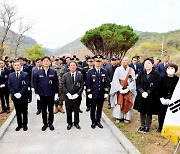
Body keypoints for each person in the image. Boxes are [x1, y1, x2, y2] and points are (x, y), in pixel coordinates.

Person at [134, 57, 161, 134]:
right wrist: (142, 92)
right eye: (145, 63)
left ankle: (147, 126)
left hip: (151, 96)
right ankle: (142, 125)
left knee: (149, 111)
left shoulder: (156, 74)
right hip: (141, 95)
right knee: (142, 110)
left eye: (149, 63)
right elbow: (138, 84)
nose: (147, 65)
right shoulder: (141, 73)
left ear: (152, 65)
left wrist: (148, 92)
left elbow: (156, 85)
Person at [34, 56, 59, 131]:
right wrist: (36, 93)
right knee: (44, 110)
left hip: (51, 94)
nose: (46, 62)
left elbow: (56, 83)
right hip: (42, 95)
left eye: (47, 61)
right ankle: (45, 123)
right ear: (42, 62)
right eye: (44, 61)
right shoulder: (38, 72)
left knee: (50, 110)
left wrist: (56, 93)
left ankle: (50, 123)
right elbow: (36, 83)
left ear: (50, 62)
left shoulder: (53, 72)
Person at [110, 56, 136, 123]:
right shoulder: (118, 69)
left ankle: (127, 117)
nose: (124, 62)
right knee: (119, 102)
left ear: (129, 62)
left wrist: (128, 89)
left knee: (127, 101)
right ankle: (118, 117)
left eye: (126, 60)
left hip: (128, 88)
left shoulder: (131, 70)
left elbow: (133, 81)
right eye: (123, 60)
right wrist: (119, 89)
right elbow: (115, 80)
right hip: (120, 88)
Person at [86, 55, 109, 129]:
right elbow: (88, 83)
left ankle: (98, 120)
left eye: (99, 61)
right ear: (94, 62)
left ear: (101, 62)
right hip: (93, 94)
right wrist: (89, 93)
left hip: (101, 93)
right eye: (96, 61)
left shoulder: (104, 71)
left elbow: (106, 82)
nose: (98, 63)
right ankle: (93, 121)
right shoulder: (90, 72)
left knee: (99, 108)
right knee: (93, 108)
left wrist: (106, 92)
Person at [8, 61, 29, 131]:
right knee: (17, 111)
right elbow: (9, 85)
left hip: (23, 96)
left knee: (24, 110)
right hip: (15, 96)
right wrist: (14, 93)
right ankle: (19, 124)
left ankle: (25, 124)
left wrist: (20, 93)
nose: (17, 67)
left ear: (21, 66)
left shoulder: (25, 74)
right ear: (13, 67)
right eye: (15, 65)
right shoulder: (11, 75)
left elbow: (26, 85)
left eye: (18, 65)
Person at [62, 61, 84, 130]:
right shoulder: (65, 75)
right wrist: (67, 94)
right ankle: (69, 123)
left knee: (76, 111)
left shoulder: (80, 75)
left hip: (77, 97)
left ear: (76, 66)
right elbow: (63, 85)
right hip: (67, 97)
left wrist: (77, 94)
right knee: (68, 111)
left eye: (74, 65)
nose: (72, 66)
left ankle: (76, 123)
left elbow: (82, 85)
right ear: (69, 67)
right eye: (71, 65)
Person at [158, 63, 179, 132]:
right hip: (163, 99)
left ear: (175, 70)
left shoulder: (177, 80)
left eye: (172, 68)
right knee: (162, 114)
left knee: (171, 114)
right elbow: (158, 89)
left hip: (173, 100)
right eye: (169, 68)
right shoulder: (162, 78)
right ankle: (161, 127)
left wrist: (172, 99)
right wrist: (161, 98)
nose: (170, 70)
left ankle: (170, 128)